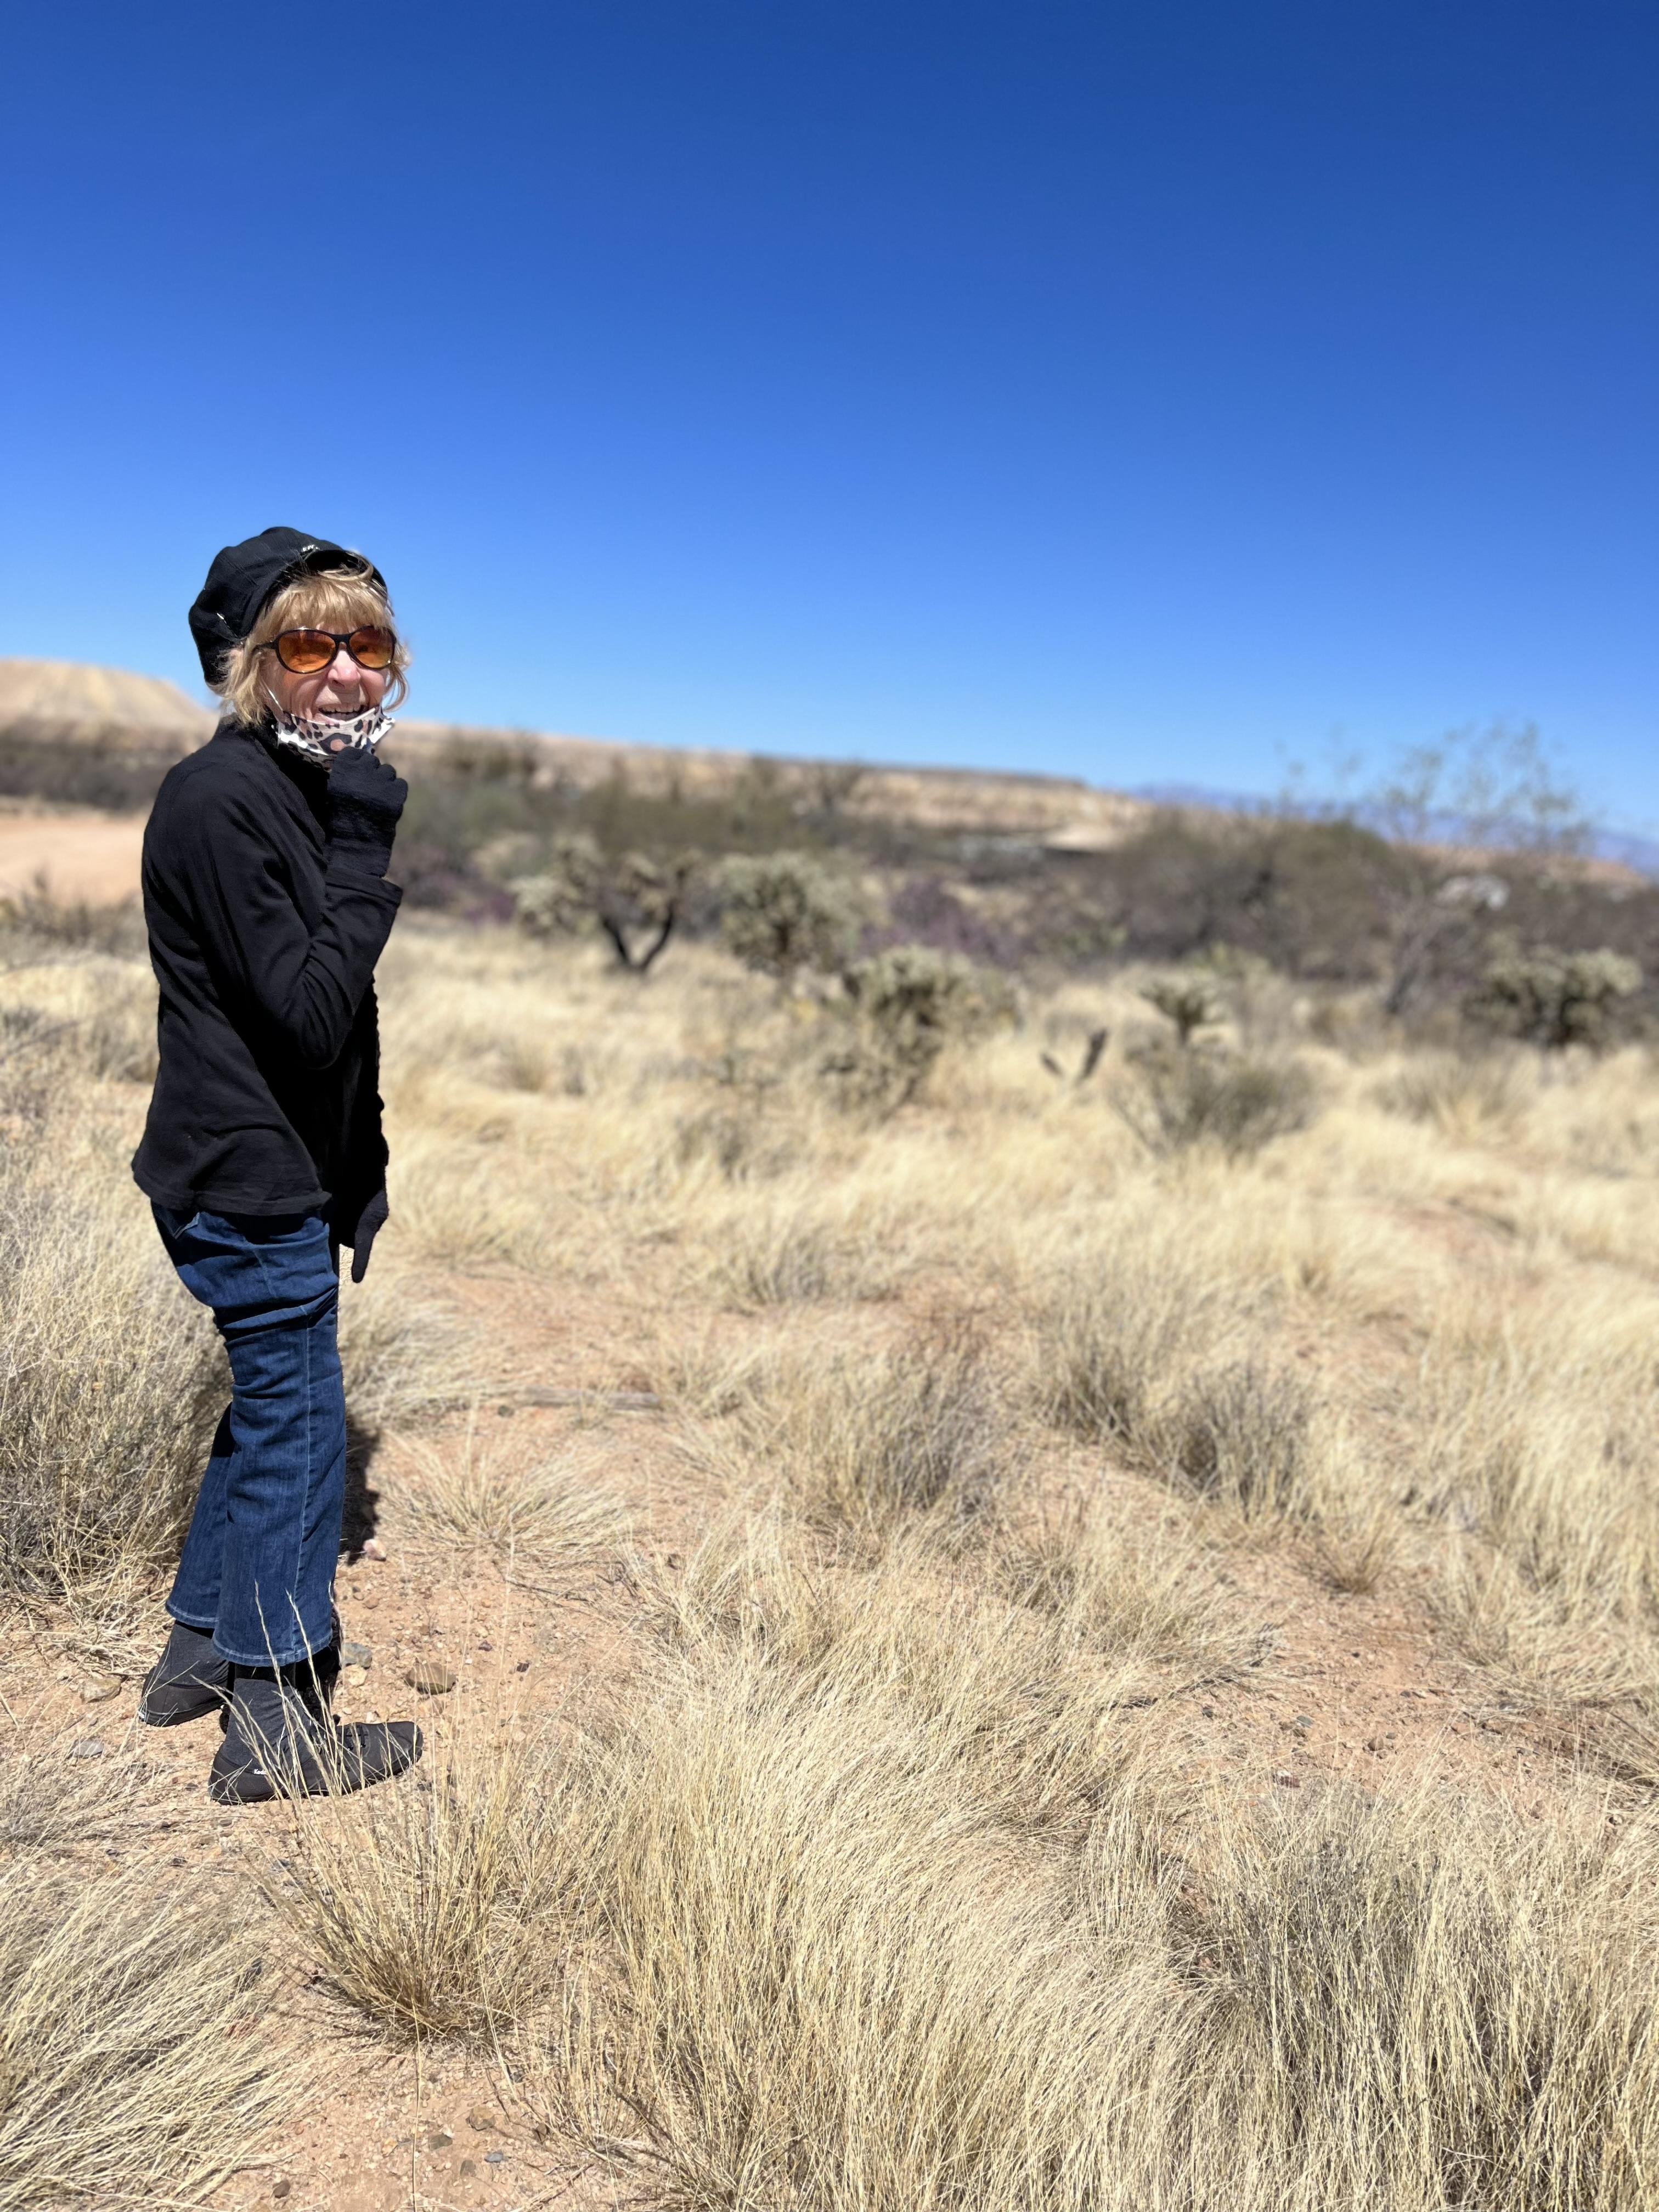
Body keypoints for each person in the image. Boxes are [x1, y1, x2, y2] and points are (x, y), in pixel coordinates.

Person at [130, 526, 422, 1805]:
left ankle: (198, 1649)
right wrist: (366, 850)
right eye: (313, 643)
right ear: (250, 663)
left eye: (370, 644)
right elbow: (307, 1012)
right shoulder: (228, 800)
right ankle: (278, 1715)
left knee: (270, 1409)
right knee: (302, 1423)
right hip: (247, 1179)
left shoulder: (280, 789)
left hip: (258, 1164)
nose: (349, 673)